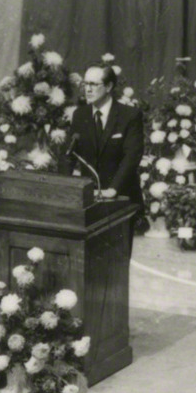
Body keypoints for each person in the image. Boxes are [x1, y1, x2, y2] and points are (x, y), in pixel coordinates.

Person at [68, 64, 144, 252]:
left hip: (120, 201)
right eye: (86, 84)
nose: (88, 89)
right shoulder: (80, 115)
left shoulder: (130, 115)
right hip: (89, 202)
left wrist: (113, 189)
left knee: (116, 262)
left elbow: (132, 156)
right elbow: (68, 155)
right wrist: (65, 189)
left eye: (94, 84)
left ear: (109, 87)